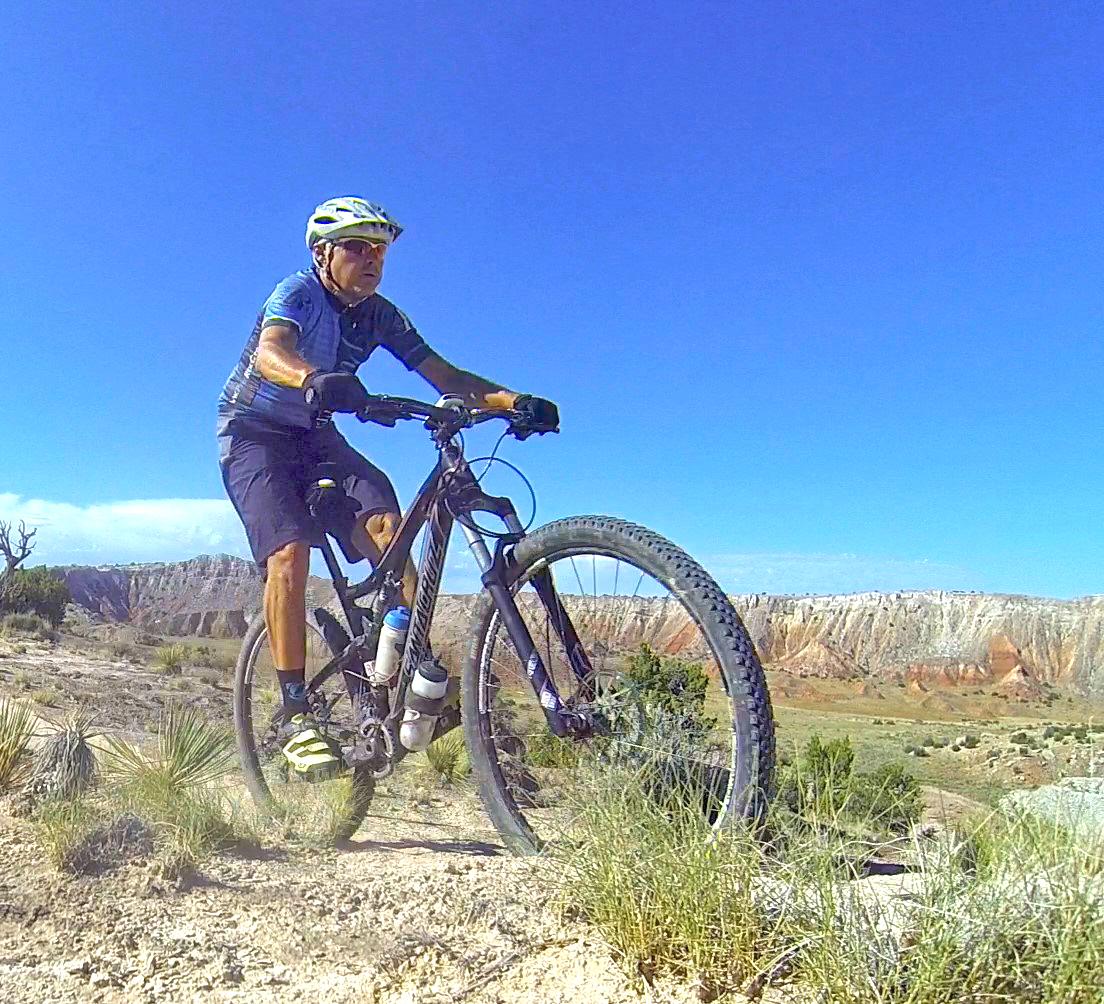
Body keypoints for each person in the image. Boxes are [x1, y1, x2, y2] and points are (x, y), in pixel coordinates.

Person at [217, 197, 558, 778]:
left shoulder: (381, 316)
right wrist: (312, 377)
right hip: (255, 436)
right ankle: (296, 714)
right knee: (289, 555)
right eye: (358, 246)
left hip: (317, 436)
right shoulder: (298, 292)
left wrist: (512, 401)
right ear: (324, 253)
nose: (372, 258)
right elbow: (272, 351)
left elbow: (444, 376)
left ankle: (387, 678)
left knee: (394, 542)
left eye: (381, 249)